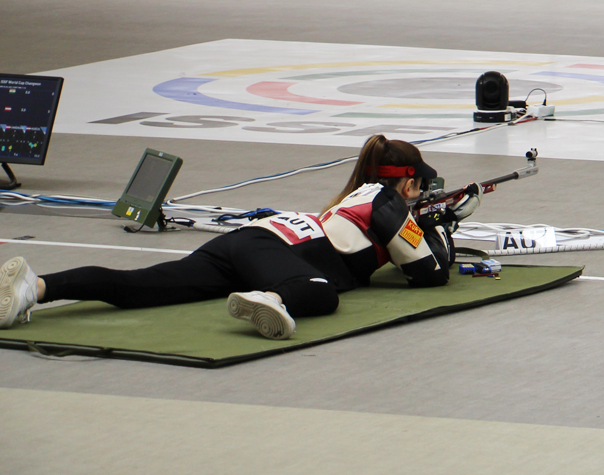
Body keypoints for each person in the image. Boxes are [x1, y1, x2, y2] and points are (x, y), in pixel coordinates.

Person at [0, 135, 477, 340]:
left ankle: (36, 288)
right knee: (320, 293)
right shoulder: (387, 201)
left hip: (251, 241)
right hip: (276, 255)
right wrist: (440, 229)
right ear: (408, 183)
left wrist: (432, 222)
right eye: (421, 190)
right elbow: (428, 275)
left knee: (138, 287)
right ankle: (268, 298)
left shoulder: (358, 197)